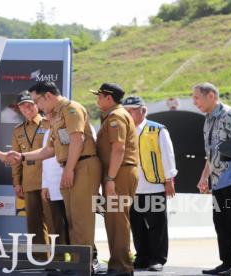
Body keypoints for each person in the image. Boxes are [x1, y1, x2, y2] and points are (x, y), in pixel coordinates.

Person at [8, 81, 101, 269]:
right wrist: (21, 156)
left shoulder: (71, 109)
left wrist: (68, 170)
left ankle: (86, 264)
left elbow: (77, 140)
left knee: (81, 220)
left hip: (82, 165)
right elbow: (47, 151)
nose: (37, 106)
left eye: (37, 101)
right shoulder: (57, 117)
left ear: (48, 96)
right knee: (73, 221)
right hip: (72, 166)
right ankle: (77, 264)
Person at [192, 82, 231, 276]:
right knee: (221, 223)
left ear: (211, 95)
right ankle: (227, 263)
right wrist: (204, 177)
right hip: (217, 182)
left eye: (197, 97)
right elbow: (212, 152)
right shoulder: (208, 119)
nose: (194, 102)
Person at [123, 96, 177, 272]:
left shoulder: (157, 130)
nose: (129, 113)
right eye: (127, 110)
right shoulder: (123, 131)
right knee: (137, 225)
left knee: (157, 225)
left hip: (154, 185)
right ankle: (142, 257)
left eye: (133, 110)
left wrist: (169, 180)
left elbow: (167, 156)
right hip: (133, 188)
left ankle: (157, 258)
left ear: (143, 110)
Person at [92, 83, 139, 275]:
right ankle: (118, 264)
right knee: (114, 220)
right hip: (118, 172)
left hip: (119, 173)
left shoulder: (116, 117)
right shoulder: (114, 115)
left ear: (108, 98)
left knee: (118, 220)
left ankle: (121, 267)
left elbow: (118, 149)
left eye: (99, 96)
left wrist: (110, 178)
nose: (97, 100)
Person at [11, 91, 54, 250]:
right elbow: (16, 160)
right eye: (22, 106)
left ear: (37, 105)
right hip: (28, 182)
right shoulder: (17, 130)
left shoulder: (48, 123)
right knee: (34, 224)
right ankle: (40, 258)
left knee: (53, 221)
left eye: (29, 104)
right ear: (19, 109)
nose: (26, 108)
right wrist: (17, 182)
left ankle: (58, 259)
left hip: (47, 181)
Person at [41, 112, 69, 246]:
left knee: (74, 224)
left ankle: (87, 257)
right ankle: (63, 257)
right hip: (53, 185)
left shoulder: (64, 129)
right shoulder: (48, 132)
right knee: (59, 224)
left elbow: (68, 154)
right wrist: (45, 184)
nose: (46, 116)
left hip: (66, 182)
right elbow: (45, 160)